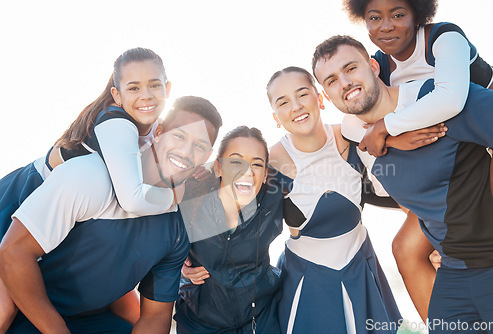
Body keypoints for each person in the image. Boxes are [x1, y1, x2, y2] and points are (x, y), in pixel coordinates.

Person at [313, 34, 493, 333]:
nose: (344, 83)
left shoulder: (435, 101)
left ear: (374, 67)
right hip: (455, 276)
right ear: (326, 95)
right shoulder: (362, 143)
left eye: (351, 68)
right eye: (331, 80)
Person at [0, 96, 222, 334]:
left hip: (86, 317)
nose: (186, 151)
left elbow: (155, 315)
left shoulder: (176, 227)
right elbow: (14, 252)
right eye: (179, 135)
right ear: (158, 131)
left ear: (207, 155)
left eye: (199, 146)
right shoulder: (90, 177)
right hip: (27, 305)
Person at [0, 47, 179, 330]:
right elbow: (131, 199)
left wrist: (192, 257)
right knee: (4, 310)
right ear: (116, 95)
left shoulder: (160, 128)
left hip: (71, 222)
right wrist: (176, 198)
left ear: (168, 89)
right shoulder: (117, 122)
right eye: (134, 87)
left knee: (132, 313)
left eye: (154, 85)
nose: (145, 95)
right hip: (22, 199)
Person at [265, 66, 436, 334]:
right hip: (307, 280)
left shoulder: (352, 135)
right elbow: (231, 217)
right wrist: (190, 263)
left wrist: (434, 241)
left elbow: (401, 193)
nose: (296, 107)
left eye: (303, 95)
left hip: (361, 267)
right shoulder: (269, 163)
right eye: (283, 102)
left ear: (320, 99)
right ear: (276, 117)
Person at [174, 126, 284, 333]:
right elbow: (158, 245)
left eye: (257, 164)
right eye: (236, 161)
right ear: (218, 168)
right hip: (201, 323)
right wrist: (179, 267)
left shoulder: (274, 197)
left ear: (266, 172)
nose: (247, 170)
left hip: (262, 318)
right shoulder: (190, 202)